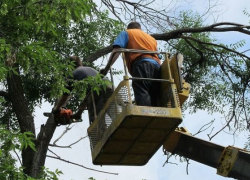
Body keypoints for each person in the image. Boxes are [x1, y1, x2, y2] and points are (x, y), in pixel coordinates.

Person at [109, 22, 161, 106]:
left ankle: (145, 115)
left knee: (141, 89)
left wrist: (108, 67)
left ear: (129, 28)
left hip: (142, 64)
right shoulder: (151, 39)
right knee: (154, 94)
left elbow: (117, 50)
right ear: (139, 28)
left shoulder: (127, 32)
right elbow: (159, 55)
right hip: (157, 67)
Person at [53, 56, 114, 124]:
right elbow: (87, 98)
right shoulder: (90, 69)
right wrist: (79, 113)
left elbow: (65, 96)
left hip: (96, 91)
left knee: (97, 123)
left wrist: (57, 108)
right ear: (80, 63)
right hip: (109, 86)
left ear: (70, 65)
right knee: (117, 112)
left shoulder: (72, 75)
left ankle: (102, 134)